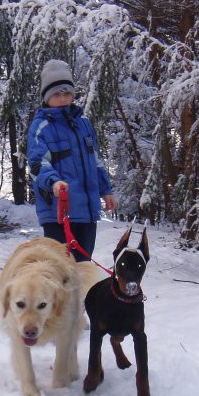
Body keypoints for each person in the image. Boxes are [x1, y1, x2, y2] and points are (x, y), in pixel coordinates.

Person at [27, 59, 116, 262]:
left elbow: (96, 160)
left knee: (83, 268)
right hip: (58, 213)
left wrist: (106, 190)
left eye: (67, 92)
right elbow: (37, 163)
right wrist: (53, 182)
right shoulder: (41, 126)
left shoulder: (83, 123)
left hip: (87, 212)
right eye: (56, 93)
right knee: (60, 270)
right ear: (47, 97)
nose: (63, 98)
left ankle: (83, 296)